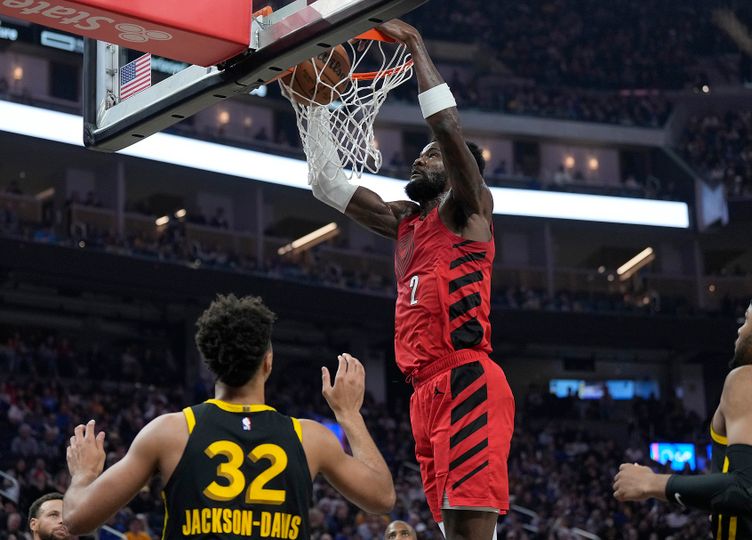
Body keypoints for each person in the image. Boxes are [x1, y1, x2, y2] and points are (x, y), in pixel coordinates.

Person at [305, 18, 514, 540]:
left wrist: (417, 44)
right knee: (447, 529)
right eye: (421, 153)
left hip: (467, 378)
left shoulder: (471, 209)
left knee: (470, 532)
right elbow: (328, 185)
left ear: (461, 171)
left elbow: (446, 127)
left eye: (434, 155)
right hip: (422, 392)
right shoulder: (405, 222)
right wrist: (311, 104)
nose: (422, 156)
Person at [62, 294, 395, 539]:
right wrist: (348, 413)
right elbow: (382, 498)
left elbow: (75, 519)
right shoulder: (309, 438)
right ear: (268, 362)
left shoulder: (169, 432)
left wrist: (83, 474)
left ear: (209, 363)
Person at [613, 284, 752, 539]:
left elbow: (746, 491)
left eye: (746, 321)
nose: (739, 329)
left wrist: (651, 483)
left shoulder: (751, 379)